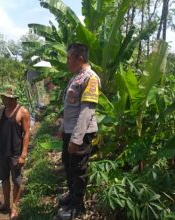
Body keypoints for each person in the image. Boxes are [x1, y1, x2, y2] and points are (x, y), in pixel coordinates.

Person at [57, 43, 100, 218]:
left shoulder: (90, 78)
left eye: (69, 58)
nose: (67, 62)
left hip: (81, 133)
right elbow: (70, 107)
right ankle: (72, 194)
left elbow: (86, 111)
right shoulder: (76, 77)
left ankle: (77, 205)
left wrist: (76, 139)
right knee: (68, 164)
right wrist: (62, 127)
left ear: (79, 58)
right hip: (70, 130)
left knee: (78, 168)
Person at [0, 85, 30, 219]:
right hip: (2, 152)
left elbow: (27, 133)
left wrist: (23, 154)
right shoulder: (2, 111)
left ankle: (15, 206)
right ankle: (6, 203)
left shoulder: (22, 112)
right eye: (3, 97)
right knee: (4, 179)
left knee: (16, 181)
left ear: (13, 98)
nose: (3, 100)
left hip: (15, 153)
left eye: (5, 97)